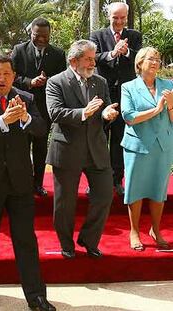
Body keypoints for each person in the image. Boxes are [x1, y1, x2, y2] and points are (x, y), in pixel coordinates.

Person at [0, 54, 55, 311]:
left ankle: (36, 295)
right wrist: (4, 121)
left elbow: (41, 129)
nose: (2, 78)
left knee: (26, 238)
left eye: (7, 74)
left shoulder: (25, 99)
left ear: (14, 76)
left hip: (19, 181)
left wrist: (25, 118)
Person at [46, 40, 119, 259]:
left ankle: (89, 239)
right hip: (67, 150)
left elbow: (105, 106)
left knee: (105, 195)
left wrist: (107, 114)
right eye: (88, 58)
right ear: (73, 61)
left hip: (96, 149)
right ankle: (66, 244)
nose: (92, 62)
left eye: (93, 58)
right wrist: (83, 113)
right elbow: (55, 113)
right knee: (65, 203)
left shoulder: (100, 82)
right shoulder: (56, 82)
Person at [120, 47, 173, 251]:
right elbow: (129, 117)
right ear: (139, 63)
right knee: (135, 189)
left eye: (158, 59)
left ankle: (156, 230)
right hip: (138, 145)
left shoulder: (169, 85)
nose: (155, 62)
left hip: (163, 146)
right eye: (151, 59)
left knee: (159, 189)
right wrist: (156, 109)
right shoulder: (128, 87)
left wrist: (169, 106)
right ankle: (134, 231)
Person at [90, 2, 142, 196]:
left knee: (119, 138)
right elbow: (92, 57)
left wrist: (126, 51)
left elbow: (139, 57)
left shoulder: (134, 36)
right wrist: (112, 53)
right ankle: (96, 180)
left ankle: (116, 180)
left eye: (122, 18)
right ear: (108, 16)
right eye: (115, 18)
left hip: (125, 95)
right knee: (98, 137)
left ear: (126, 17)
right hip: (101, 93)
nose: (119, 21)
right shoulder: (97, 35)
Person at [11, 17, 66, 197]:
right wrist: (30, 82)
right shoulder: (19, 50)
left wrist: (47, 81)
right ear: (30, 33)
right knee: (21, 148)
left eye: (45, 35)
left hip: (44, 108)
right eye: (37, 35)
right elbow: (12, 76)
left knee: (41, 147)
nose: (41, 39)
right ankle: (23, 183)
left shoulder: (58, 54)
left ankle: (38, 183)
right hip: (22, 106)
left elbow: (62, 80)